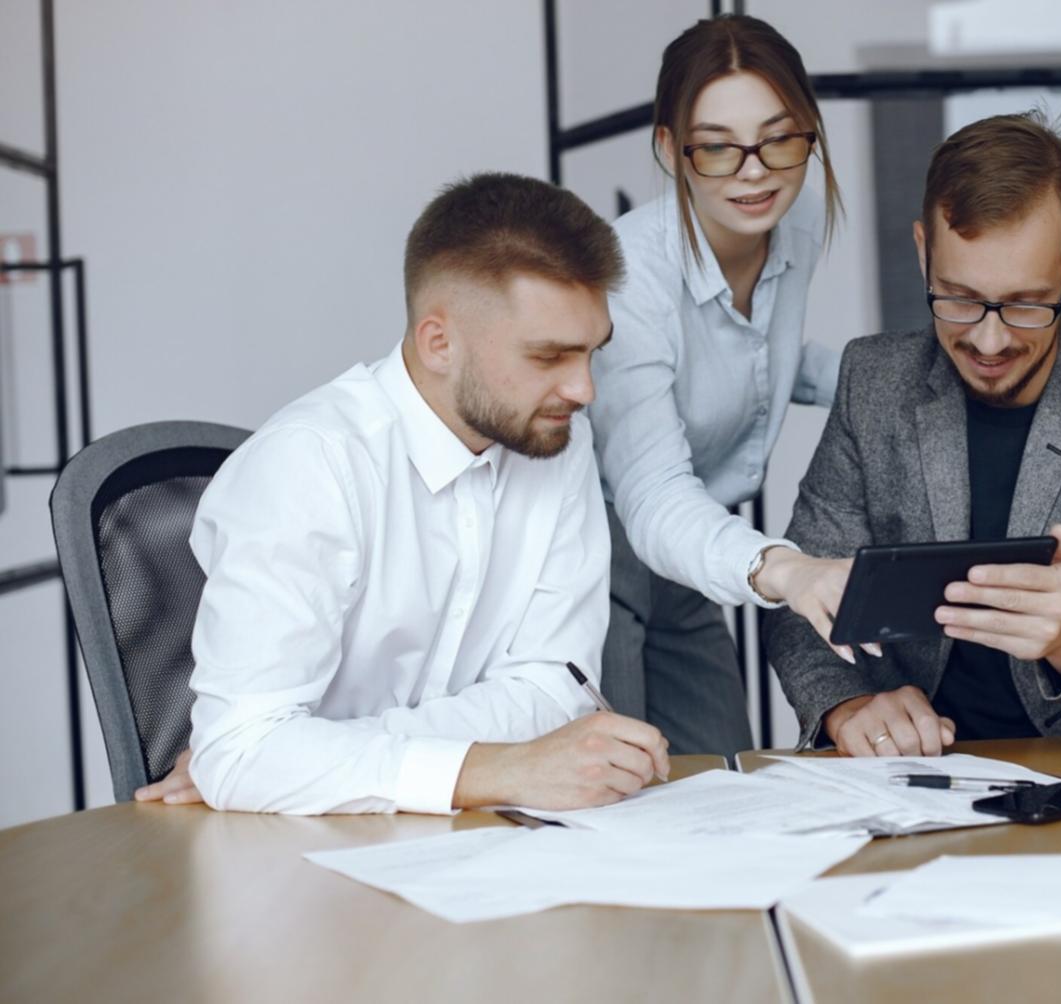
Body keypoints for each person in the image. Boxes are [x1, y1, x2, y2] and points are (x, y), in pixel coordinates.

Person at [135, 172, 669, 813]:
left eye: (591, 352)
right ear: (439, 343)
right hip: (294, 852)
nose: (584, 390)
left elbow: (557, 690)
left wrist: (317, 757)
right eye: (548, 356)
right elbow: (244, 754)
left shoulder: (557, 441)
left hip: (456, 838)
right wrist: (500, 766)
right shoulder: (309, 463)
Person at [765, 111, 1061, 756]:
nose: (988, 340)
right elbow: (801, 603)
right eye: (958, 298)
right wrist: (850, 706)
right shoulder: (873, 382)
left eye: (1026, 304)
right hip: (914, 777)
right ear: (923, 253)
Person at [591, 14, 866, 759]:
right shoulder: (630, 276)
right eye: (716, 146)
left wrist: (889, 379)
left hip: (696, 545)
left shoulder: (795, 217)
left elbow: (759, 355)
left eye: (779, 138)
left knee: (725, 773)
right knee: (621, 788)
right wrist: (786, 568)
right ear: (669, 149)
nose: (754, 171)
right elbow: (650, 491)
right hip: (599, 553)